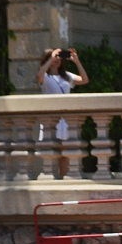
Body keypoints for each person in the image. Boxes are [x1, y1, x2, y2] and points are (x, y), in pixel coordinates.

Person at [36, 48, 90, 176]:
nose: (58, 60)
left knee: (65, 152)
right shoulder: (46, 77)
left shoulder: (66, 76)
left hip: (64, 119)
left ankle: (63, 177)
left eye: (60, 57)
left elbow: (84, 80)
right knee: (50, 153)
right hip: (50, 118)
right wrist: (51, 59)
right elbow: (39, 76)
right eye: (56, 57)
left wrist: (76, 62)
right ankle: (50, 180)